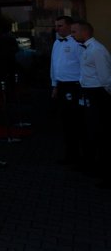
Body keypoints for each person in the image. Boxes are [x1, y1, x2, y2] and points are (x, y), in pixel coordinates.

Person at [71, 20, 111, 187]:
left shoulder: (97, 50)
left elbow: (106, 78)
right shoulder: (87, 49)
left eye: (74, 31)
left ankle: (106, 174)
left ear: (84, 32)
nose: (72, 35)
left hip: (98, 95)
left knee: (102, 134)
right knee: (92, 132)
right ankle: (97, 168)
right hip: (88, 94)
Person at [50, 16, 84, 165]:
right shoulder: (56, 43)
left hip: (74, 86)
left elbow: (84, 66)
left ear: (70, 26)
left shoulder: (77, 43)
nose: (57, 29)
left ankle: (79, 157)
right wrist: (54, 85)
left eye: (60, 26)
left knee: (76, 122)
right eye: (56, 26)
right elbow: (54, 66)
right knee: (65, 122)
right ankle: (69, 155)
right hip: (61, 86)